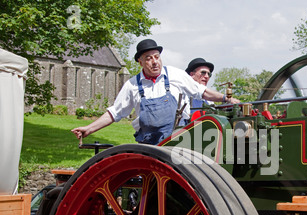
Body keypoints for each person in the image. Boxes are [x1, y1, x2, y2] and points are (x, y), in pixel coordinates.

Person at [71, 39, 240, 145]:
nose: (154, 62)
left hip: (178, 140)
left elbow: (201, 92)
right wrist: (89, 129)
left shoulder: (175, 74)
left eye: (156, 56)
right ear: (140, 62)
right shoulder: (132, 85)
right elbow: (114, 113)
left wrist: (225, 98)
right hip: (148, 144)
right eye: (148, 58)